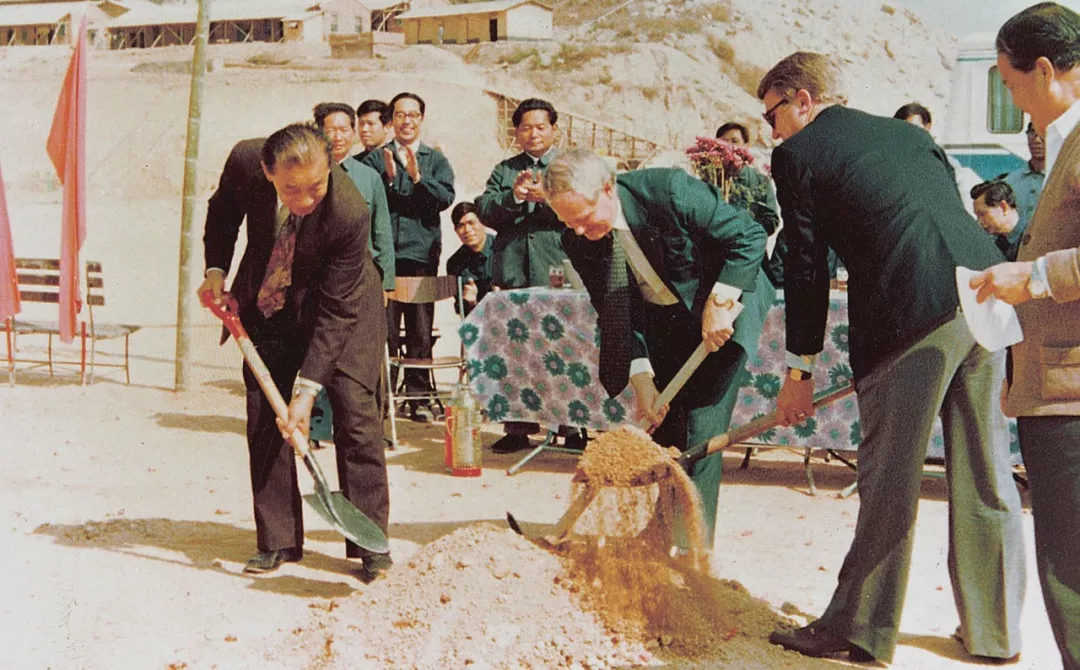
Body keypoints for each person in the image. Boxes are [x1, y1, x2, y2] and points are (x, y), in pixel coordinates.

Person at [759, 53, 1025, 664]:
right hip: (982, 295)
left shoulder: (798, 154)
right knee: (986, 473)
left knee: (889, 478)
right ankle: (995, 634)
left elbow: (806, 266)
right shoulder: (911, 134)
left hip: (910, 310)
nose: (772, 131)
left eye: (772, 115)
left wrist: (799, 368)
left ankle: (859, 629)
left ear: (802, 100)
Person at [545, 147, 773, 554]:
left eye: (583, 217)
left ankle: (689, 552)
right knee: (664, 428)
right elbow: (613, 311)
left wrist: (721, 302)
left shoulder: (668, 191)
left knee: (700, 425)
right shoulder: (577, 240)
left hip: (726, 302)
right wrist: (642, 380)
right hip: (664, 320)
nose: (577, 230)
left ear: (608, 189)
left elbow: (749, 235)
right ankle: (660, 533)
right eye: (567, 222)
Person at [199, 123, 391, 582]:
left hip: (343, 307)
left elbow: (337, 312)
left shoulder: (349, 211)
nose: (304, 200)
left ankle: (369, 545)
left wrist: (306, 392)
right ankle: (278, 539)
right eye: (291, 190)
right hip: (270, 297)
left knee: (356, 414)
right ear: (268, 172)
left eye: (315, 187)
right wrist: (215, 269)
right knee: (266, 415)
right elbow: (222, 211)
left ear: (330, 167)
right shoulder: (245, 161)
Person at [970, 4, 1080, 666]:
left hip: (1070, 393)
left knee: (1071, 568)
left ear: (1043, 69)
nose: (1013, 103)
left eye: (1011, 85)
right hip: (1059, 384)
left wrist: (1032, 277)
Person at [475, 98, 585, 453]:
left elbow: (583, 206)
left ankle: (571, 425)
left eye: (540, 127)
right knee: (515, 350)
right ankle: (518, 426)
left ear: (555, 129)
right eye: (526, 128)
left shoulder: (569, 166)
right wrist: (515, 197)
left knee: (565, 346)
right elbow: (484, 210)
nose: (533, 134)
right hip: (514, 269)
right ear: (516, 132)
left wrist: (546, 198)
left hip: (558, 265)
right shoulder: (505, 170)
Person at [362, 92, 455, 423]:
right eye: (399, 115)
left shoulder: (435, 160)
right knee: (383, 330)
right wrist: (387, 181)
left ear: (422, 119)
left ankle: (418, 397)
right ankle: (382, 399)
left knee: (420, 329)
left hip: (419, 255)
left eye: (413, 115)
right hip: (383, 257)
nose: (406, 121)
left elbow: (444, 199)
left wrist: (418, 178)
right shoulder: (375, 159)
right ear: (390, 121)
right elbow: (366, 199)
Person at [313, 102, 394, 293]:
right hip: (318, 274)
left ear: (353, 132)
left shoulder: (370, 177)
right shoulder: (310, 174)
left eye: (344, 130)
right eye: (331, 130)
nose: (338, 137)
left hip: (361, 275)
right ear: (320, 133)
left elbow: (382, 233)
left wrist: (386, 285)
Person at [893, 101, 983, 216]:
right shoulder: (894, 162)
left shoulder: (945, 161)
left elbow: (960, 198)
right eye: (905, 129)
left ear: (928, 126)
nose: (910, 134)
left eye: (915, 128)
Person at [446, 201, 493, 317]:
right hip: (479, 321)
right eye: (461, 226)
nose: (467, 229)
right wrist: (471, 303)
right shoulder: (454, 263)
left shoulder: (503, 250)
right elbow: (461, 310)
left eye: (471, 223)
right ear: (456, 231)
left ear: (483, 223)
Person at [1002, 121, 1047, 237]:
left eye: (1043, 134)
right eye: (1032, 133)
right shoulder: (1009, 182)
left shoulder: (1062, 180)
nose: (1037, 140)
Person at [970, 180, 1022, 260]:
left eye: (982, 214)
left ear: (1003, 207)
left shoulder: (1035, 236)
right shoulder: (994, 245)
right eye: (977, 216)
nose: (979, 221)